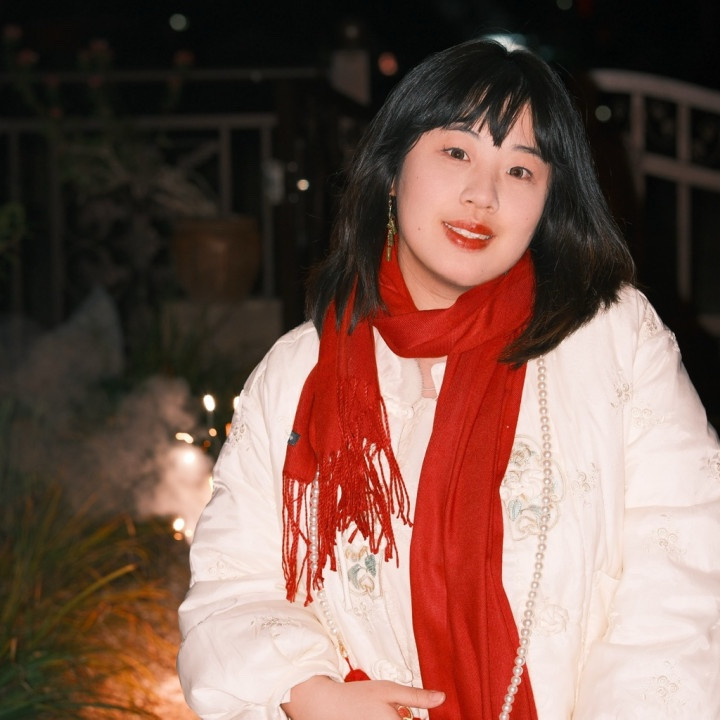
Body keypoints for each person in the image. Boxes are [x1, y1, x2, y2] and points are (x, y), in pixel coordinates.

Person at [177, 39, 720, 720]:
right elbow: (232, 585)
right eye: (457, 152)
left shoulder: (613, 340)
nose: (482, 195)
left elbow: (682, 578)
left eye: (520, 170)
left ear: (548, 201)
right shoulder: (297, 373)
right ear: (392, 170)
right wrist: (309, 694)